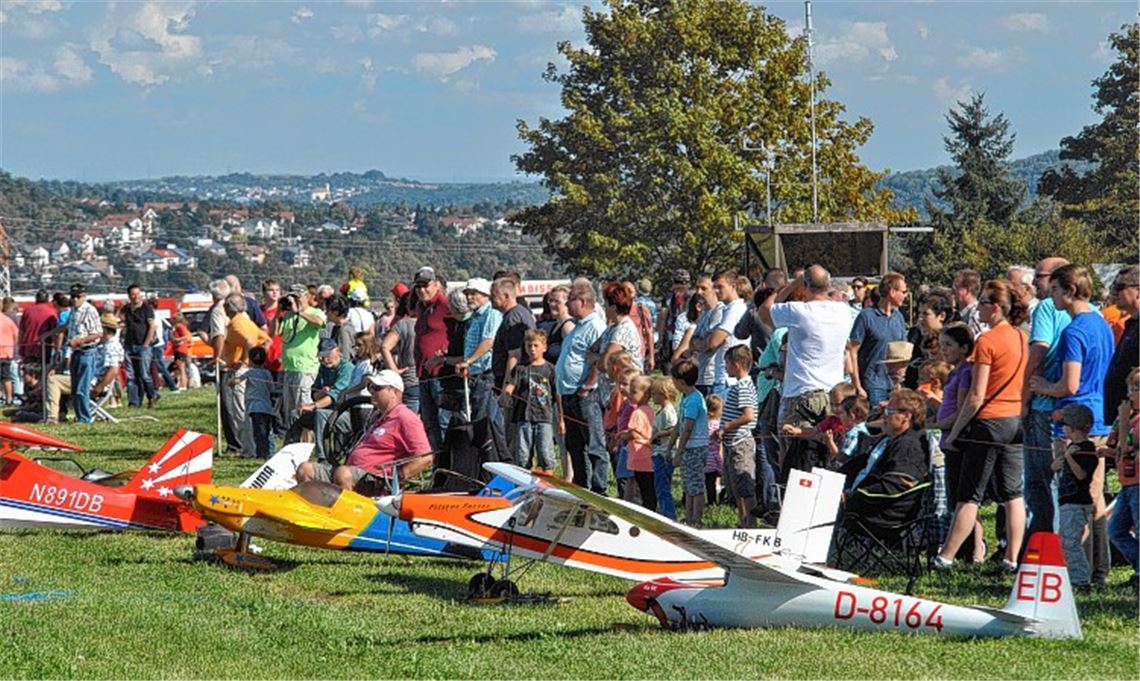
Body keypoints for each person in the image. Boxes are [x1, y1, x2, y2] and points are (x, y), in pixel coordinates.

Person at [1029, 263, 1114, 584]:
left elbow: (1070, 384)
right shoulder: (1102, 324)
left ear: (1068, 290)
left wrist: (1042, 387)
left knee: (1073, 498)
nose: (1051, 298)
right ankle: (1098, 568)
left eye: (1054, 291)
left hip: (1075, 418)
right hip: (1099, 416)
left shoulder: (1074, 331)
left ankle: (1079, 569)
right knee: (1095, 498)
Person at [937, 280, 1029, 571]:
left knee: (969, 494)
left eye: (985, 302)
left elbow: (976, 395)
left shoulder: (987, 341)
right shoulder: (1021, 338)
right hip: (1015, 420)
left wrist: (955, 431)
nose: (979, 306)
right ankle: (1012, 557)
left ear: (998, 307)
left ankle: (946, 557)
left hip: (988, 422)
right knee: (1012, 494)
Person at [759, 265, 854, 458]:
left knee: (796, 461)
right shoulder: (843, 311)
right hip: (834, 395)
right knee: (829, 457)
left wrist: (793, 284)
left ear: (805, 285)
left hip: (800, 396)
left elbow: (765, 311)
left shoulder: (799, 311)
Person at [296, 370, 432, 491]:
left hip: (375, 479)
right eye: (370, 387)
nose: (371, 391)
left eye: (377, 388)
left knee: (343, 474)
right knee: (305, 469)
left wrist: (398, 477)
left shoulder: (405, 417)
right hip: (352, 472)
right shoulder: (378, 416)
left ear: (394, 392)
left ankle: (347, 513)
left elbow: (425, 456)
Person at [1022, 255, 1071, 537]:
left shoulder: (1046, 308)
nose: (1035, 282)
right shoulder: (1090, 312)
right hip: (1070, 407)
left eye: (1040, 277)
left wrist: (1024, 396)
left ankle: (1041, 547)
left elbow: (1038, 352)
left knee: (1040, 481)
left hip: (1043, 403)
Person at [842, 389, 930, 524]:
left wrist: (851, 497)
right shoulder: (889, 439)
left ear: (906, 416)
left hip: (879, 514)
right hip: (859, 502)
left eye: (888, 412)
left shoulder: (908, 446)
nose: (883, 417)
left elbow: (893, 487)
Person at [557, 278, 609, 493]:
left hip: (586, 395)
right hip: (569, 393)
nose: (567, 305)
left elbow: (600, 357)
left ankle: (599, 488)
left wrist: (589, 385)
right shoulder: (578, 327)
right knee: (575, 445)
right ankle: (581, 486)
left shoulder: (595, 326)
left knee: (594, 444)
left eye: (571, 300)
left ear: (583, 301)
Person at [285, 337, 353, 461]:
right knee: (295, 414)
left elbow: (334, 397)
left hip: (344, 413)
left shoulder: (346, 368)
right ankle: (290, 454)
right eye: (321, 356)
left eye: (327, 355)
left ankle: (323, 457)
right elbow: (314, 393)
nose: (324, 359)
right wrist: (321, 393)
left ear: (337, 351)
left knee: (320, 414)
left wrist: (312, 406)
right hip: (328, 412)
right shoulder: (323, 368)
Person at [1053, 403, 1099, 588]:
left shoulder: (1087, 449)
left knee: (1071, 543)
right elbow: (1056, 467)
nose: (1063, 428)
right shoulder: (1071, 447)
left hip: (1077, 502)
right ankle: (1073, 577)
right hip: (1066, 501)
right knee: (1065, 541)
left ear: (1072, 427)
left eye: (1065, 425)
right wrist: (1059, 461)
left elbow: (1081, 475)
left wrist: (1069, 457)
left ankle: (1080, 580)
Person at [1101, 367, 1139, 587]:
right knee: (1115, 530)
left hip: (1138, 483)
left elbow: (1128, 449)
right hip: (1127, 484)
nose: (1130, 394)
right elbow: (1119, 449)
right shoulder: (1129, 417)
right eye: (1129, 388)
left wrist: (1124, 420)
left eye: (1135, 389)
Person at [219, 293, 270, 457]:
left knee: (239, 412)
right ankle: (250, 447)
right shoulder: (248, 321)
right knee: (244, 411)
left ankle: (248, 449)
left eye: (226, 305)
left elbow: (249, 341)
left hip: (239, 371)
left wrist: (245, 360)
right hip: (252, 369)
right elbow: (266, 340)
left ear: (229, 308)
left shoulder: (236, 324)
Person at [502, 329, 559, 474]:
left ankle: (547, 486)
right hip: (524, 417)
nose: (532, 349)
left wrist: (561, 420)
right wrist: (506, 394)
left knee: (546, 455)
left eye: (535, 345)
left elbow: (557, 394)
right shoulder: (521, 369)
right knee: (523, 456)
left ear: (544, 347)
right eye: (529, 346)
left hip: (544, 417)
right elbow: (511, 384)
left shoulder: (550, 369)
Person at [848, 273, 908, 407]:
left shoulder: (898, 317)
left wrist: (900, 382)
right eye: (903, 292)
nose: (905, 295)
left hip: (894, 385)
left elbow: (902, 351)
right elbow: (852, 350)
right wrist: (857, 385)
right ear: (892, 292)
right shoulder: (866, 316)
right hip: (872, 384)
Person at [716, 345, 758, 527]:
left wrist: (726, 426)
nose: (725, 367)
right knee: (737, 488)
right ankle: (743, 522)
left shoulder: (743, 386)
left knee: (745, 486)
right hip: (733, 444)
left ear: (737, 364)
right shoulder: (739, 386)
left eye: (727, 363)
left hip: (741, 443)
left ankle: (750, 524)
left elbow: (748, 415)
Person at [279, 284, 328, 432]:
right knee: (291, 411)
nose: (295, 300)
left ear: (306, 296)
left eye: (297, 297)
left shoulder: (315, 312)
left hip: (305, 367)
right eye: (292, 298)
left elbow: (320, 323)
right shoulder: (288, 316)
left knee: (303, 410)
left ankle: (307, 443)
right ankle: (293, 439)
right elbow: (276, 332)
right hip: (289, 367)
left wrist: (300, 312)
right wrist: (278, 312)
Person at [412, 266, 451, 452]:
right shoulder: (421, 307)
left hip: (440, 374)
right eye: (418, 286)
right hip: (423, 373)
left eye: (425, 285)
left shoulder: (445, 304)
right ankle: (437, 461)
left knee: (443, 421)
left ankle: (448, 462)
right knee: (429, 422)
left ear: (436, 285)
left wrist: (446, 354)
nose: (421, 290)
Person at [671, 359, 709, 527]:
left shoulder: (694, 399)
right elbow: (679, 425)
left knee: (696, 486)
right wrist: (671, 446)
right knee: (688, 485)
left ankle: (696, 519)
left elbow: (687, 428)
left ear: (680, 381)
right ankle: (689, 517)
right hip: (688, 448)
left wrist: (678, 451)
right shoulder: (686, 398)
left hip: (695, 448)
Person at [232, 346, 276, 460]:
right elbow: (272, 388)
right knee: (268, 431)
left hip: (254, 407)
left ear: (250, 360)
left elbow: (237, 381)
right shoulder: (267, 373)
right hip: (266, 406)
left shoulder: (249, 372)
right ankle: (271, 452)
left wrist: (230, 381)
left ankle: (261, 454)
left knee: (259, 432)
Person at [120, 284, 161, 409]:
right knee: (131, 376)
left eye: (138, 294)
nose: (136, 297)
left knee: (144, 374)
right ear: (129, 296)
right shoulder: (127, 309)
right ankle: (134, 402)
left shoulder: (147, 309)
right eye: (133, 294)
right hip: (129, 344)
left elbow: (152, 326)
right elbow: (120, 318)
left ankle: (152, 396)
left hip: (144, 345)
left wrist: (146, 344)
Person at [379, 293, 419, 412]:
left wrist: (394, 369)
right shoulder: (430, 322)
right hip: (430, 377)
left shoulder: (403, 324)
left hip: (409, 378)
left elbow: (385, 346)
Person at [622, 374, 656, 511]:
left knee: (643, 486)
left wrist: (623, 435)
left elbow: (633, 433)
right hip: (649, 455)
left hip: (640, 456)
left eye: (634, 392)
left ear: (646, 395)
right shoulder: (651, 411)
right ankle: (650, 508)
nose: (630, 394)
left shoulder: (637, 413)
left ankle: (648, 510)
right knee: (649, 487)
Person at [650, 376, 679, 519]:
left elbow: (674, 429)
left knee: (663, 486)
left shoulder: (668, 411)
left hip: (664, 454)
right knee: (658, 485)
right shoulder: (661, 411)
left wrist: (658, 434)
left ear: (664, 394)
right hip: (657, 452)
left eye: (654, 393)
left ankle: (669, 514)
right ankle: (664, 511)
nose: (652, 396)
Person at [953, 269, 987, 337]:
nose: (953, 290)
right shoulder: (960, 315)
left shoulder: (976, 315)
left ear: (967, 290)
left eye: (956, 286)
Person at [704, 394, 724, 506]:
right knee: (711, 482)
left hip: (703, 457)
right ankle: (712, 502)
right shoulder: (718, 426)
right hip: (714, 458)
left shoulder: (702, 425)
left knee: (703, 482)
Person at [170, 313, 192, 390]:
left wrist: (177, 340)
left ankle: (183, 385)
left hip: (180, 349)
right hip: (178, 349)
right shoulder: (176, 327)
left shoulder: (179, 326)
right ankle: (183, 384)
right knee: (180, 368)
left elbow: (186, 336)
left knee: (181, 368)